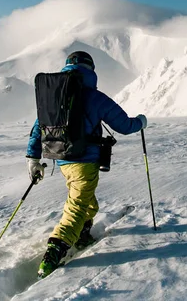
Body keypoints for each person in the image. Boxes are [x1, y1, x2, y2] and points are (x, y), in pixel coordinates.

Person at [26, 51, 147, 278]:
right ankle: (55, 250)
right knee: (78, 205)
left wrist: (33, 160)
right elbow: (124, 125)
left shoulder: (55, 96)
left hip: (62, 161)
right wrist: (141, 122)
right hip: (84, 162)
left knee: (86, 201)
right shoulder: (94, 97)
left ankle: (82, 235)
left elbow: (37, 129)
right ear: (90, 70)